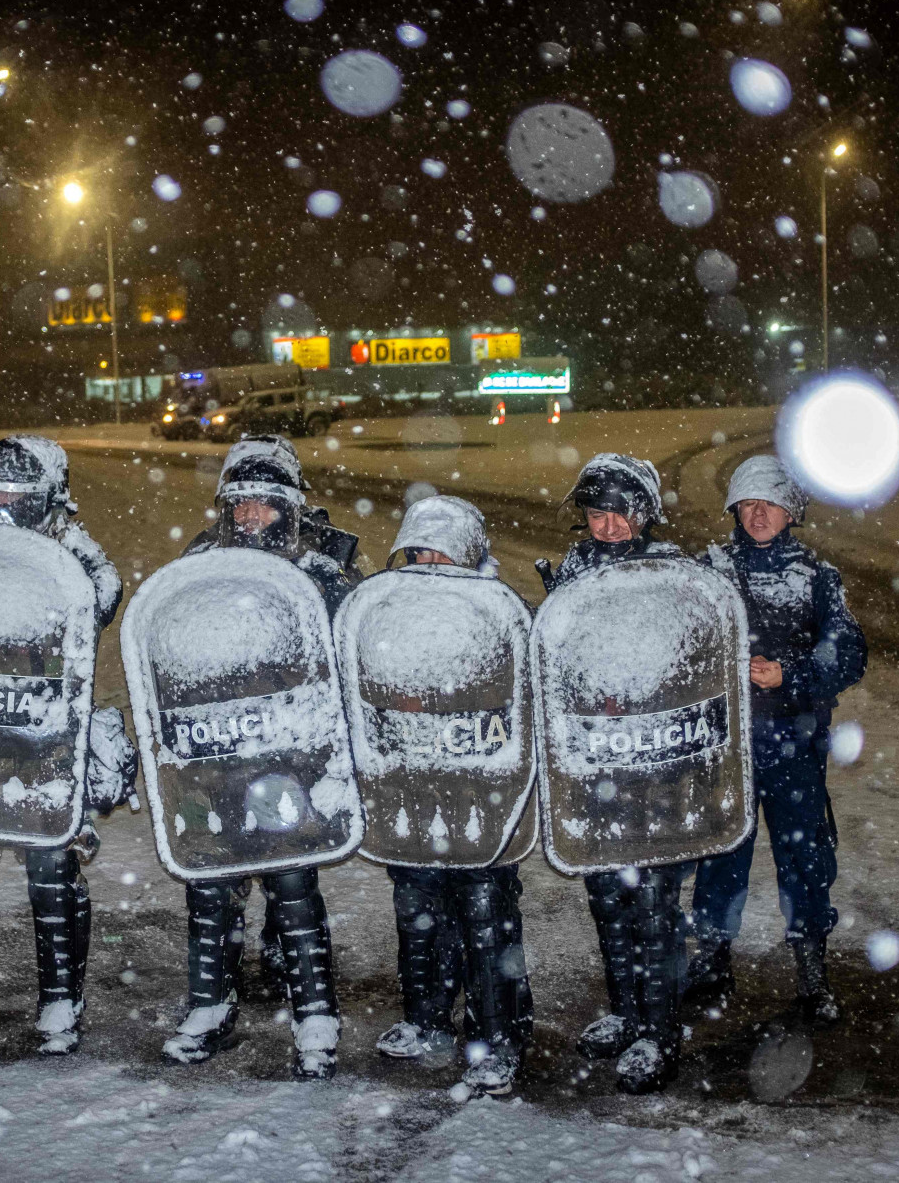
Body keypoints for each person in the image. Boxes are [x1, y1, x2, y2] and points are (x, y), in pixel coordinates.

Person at [0, 435, 136, 1054]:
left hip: (44, 740)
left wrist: (32, 561)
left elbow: (96, 599)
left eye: (16, 493)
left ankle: (61, 1001)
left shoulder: (77, 557)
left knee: (51, 868)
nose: (2, 503)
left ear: (48, 497)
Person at [161, 437, 358, 1078]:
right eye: (241, 504)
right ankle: (211, 1006)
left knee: (293, 884)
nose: (251, 517)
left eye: (265, 506)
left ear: (290, 507)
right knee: (210, 884)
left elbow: (341, 655)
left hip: (286, 757)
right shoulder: (202, 558)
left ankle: (315, 1016)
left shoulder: (323, 566)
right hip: (217, 750)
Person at [687, 454, 866, 1026]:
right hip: (725, 746)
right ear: (734, 508)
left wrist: (791, 674)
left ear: (792, 510)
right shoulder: (707, 569)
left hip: (794, 745)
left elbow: (848, 652)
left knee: (806, 860)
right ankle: (712, 968)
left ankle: (813, 979)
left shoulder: (816, 576)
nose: (759, 514)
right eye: (748, 503)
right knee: (720, 858)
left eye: (771, 502)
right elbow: (681, 645)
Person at [370, 495, 534, 1097]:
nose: (428, 561)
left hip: (481, 795)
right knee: (417, 911)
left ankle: (499, 1038)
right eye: (417, 551)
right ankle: (426, 1019)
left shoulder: (500, 611)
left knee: (485, 914)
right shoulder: (384, 612)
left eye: (440, 550)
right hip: (412, 789)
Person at [540, 453, 690, 1094]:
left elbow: (694, 661)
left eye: (619, 514)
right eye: (597, 515)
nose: (607, 527)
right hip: (597, 765)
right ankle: (627, 1012)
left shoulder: (678, 573)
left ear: (645, 516)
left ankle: (661, 1032)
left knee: (655, 903)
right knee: (608, 898)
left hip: (656, 766)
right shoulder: (574, 571)